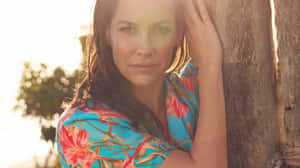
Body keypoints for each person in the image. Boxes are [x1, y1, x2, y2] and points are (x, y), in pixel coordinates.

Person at [56, 0, 227, 167]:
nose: (145, 48)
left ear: (179, 32)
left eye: (161, 29)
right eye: (128, 29)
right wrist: (211, 64)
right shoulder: (82, 127)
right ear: (107, 32)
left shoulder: (194, 88)